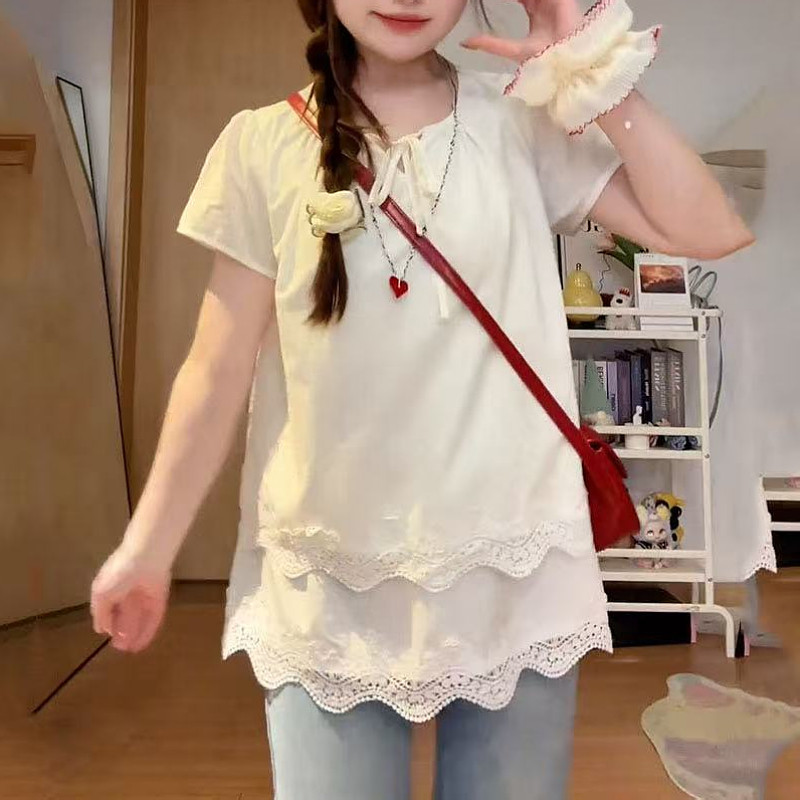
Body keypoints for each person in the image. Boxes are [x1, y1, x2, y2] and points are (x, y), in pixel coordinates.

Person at [90, 1, 753, 797]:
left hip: (516, 570)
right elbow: (216, 367)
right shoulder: (260, 144)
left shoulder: (521, 120)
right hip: (330, 584)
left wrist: (595, 73)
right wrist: (148, 549)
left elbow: (710, 230)